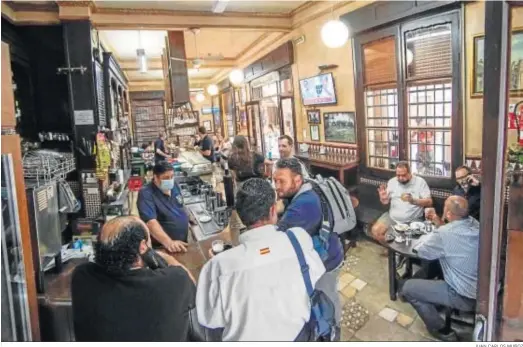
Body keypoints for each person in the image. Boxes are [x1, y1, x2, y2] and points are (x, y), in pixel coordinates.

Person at [196, 178, 326, 341]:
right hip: (299, 336)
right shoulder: (298, 239)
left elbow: (210, 319)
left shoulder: (220, 266)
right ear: (273, 210)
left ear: (241, 216)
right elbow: (317, 273)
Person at [71, 217, 197, 342]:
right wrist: (161, 256)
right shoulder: (176, 281)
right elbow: (191, 283)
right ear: (143, 247)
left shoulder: (81, 276)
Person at [273, 157, 343, 337]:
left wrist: (271, 213)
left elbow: (278, 238)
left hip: (326, 259)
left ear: (297, 180)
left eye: (281, 181)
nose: (277, 186)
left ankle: (332, 332)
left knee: (326, 297)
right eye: (275, 180)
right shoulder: (307, 186)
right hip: (329, 248)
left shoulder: (305, 204)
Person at [401, 196, 479, 342]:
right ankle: (434, 298)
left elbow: (422, 252)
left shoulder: (444, 234)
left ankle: (441, 329)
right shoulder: (475, 224)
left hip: (463, 295)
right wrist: (438, 222)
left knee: (408, 288)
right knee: (436, 266)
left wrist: (425, 238)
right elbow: (452, 232)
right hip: (482, 291)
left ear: (448, 213)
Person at [371, 161, 433, 242]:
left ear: (410, 173)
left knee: (415, 241)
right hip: (392, 217)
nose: (400, 178)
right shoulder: (392, 182)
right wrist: (383, 199)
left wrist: (413, 201)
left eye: (403, 175)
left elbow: (429, 202)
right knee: (375, 231)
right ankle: (391, 249)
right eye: (398, 175)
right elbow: (385, 202)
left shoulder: (420, 182)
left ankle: (397, 250)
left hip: (413, 219)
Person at [137, 162, 192, 252]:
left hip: (181, 243)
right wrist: (169, 242)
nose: (170, 180)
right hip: (164, 247)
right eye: (166, 178)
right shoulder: (146, 193)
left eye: (172, 176)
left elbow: (180, 204)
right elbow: (151, 223)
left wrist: (187, 215)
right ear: (155, 177)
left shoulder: (174, 186)